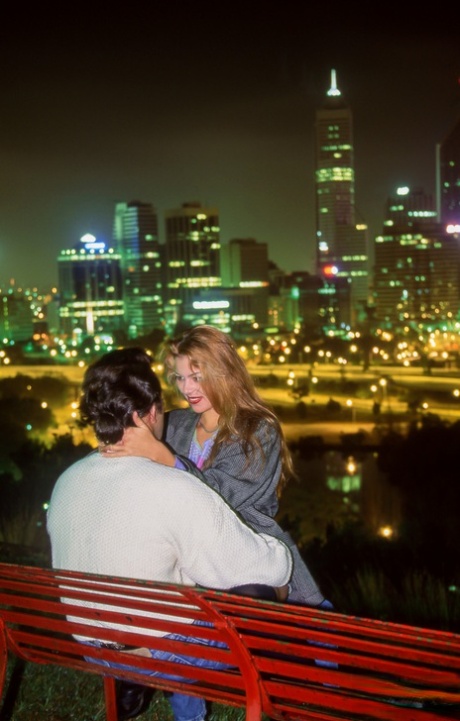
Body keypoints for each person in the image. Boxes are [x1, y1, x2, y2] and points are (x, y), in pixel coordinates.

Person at [47, 354, 293, 721]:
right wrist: (281, 555)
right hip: (155, 650)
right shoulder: (173, 486)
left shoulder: (66, 480)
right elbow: (267, 568)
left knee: (182, 578)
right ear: (145, 415)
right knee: (263, 591)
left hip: (91, 649)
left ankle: (168, 699)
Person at [100, 326, 329, 608]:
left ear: (223, 373)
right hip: (183, 555)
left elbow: (218, 497)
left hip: (251, 552)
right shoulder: (174, 425)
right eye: (180, 378)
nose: (186, 388)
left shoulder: (257, 431)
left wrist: (164, 458)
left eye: (197, 378)